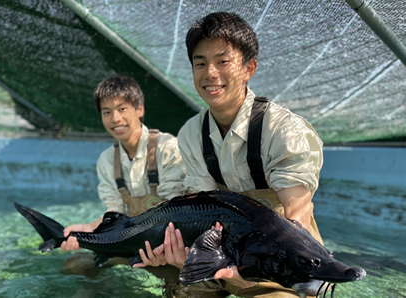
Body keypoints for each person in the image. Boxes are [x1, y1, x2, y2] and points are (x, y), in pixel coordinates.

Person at [139, 12, 325, 298]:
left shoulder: (284, 130)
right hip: (216, 259)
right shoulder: (191, 133)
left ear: (248, 68)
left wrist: (254, 272)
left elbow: (298, 215)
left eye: (222, 61)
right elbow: (199, 210)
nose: (210, 73)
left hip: (275, 264)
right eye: (200, 63)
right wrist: (183, 256)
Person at [60, 75, 186, 256]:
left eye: (122, 109)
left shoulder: (169, 149)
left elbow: (176, 210)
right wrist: (86, 229)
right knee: (74, 267)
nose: (115, 119)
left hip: (171, 245)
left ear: (140, 109)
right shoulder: (107, 160)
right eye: (107, 112)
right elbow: (115, 214)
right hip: (133, 243)